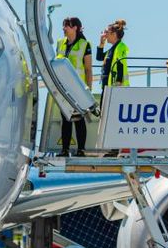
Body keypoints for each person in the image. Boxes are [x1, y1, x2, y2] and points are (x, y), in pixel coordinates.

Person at [55, 16, 93, 156]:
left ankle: (81, 150)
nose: (64, 28)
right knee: (66, 118)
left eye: (67, 26)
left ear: (75, 28)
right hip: (63, 88)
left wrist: (89, 89)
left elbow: (88, 69)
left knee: (79, 119)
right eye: (63, 26)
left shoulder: (85, 44)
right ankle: (65, 149)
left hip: (78, 88)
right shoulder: (60, 43)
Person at [96, 20, 129, 156]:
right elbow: (99, 57)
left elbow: (120, 64)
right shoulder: (111, 49)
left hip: (116, 88)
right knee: (108, 118)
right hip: (108, 88)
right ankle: (113, 148)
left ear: (114, 34)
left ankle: (116, 149)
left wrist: (119, 82)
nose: (105, 34)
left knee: (113, 119)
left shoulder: (120, 47)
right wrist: (101, 42)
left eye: (107, 33)